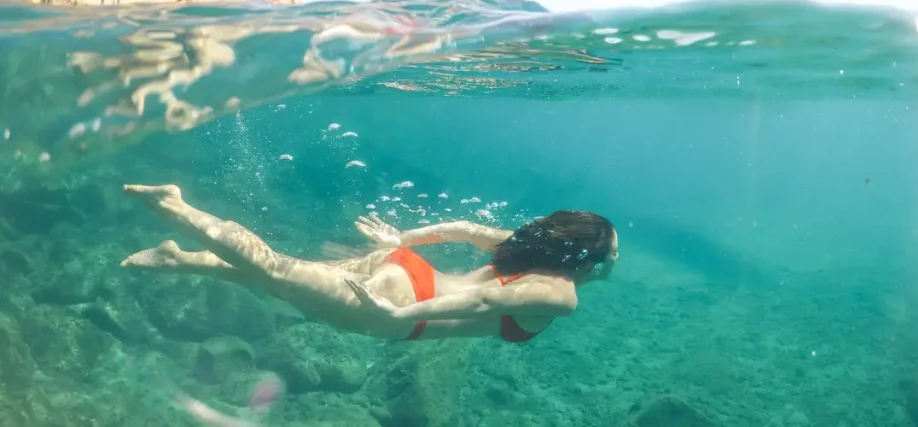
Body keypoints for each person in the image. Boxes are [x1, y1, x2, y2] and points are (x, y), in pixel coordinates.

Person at [119, 184, 619, 342]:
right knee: (275, 270)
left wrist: (402, 239)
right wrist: (396, 316)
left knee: (285, 276)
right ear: (589, 258)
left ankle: (179, 258)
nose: (615, 259)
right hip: (401, 304)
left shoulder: (523, 247)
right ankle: (176, 208)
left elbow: (464, 229)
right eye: (612, 252)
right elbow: (487, 296)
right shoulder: (561, 295)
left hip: (403, 268)